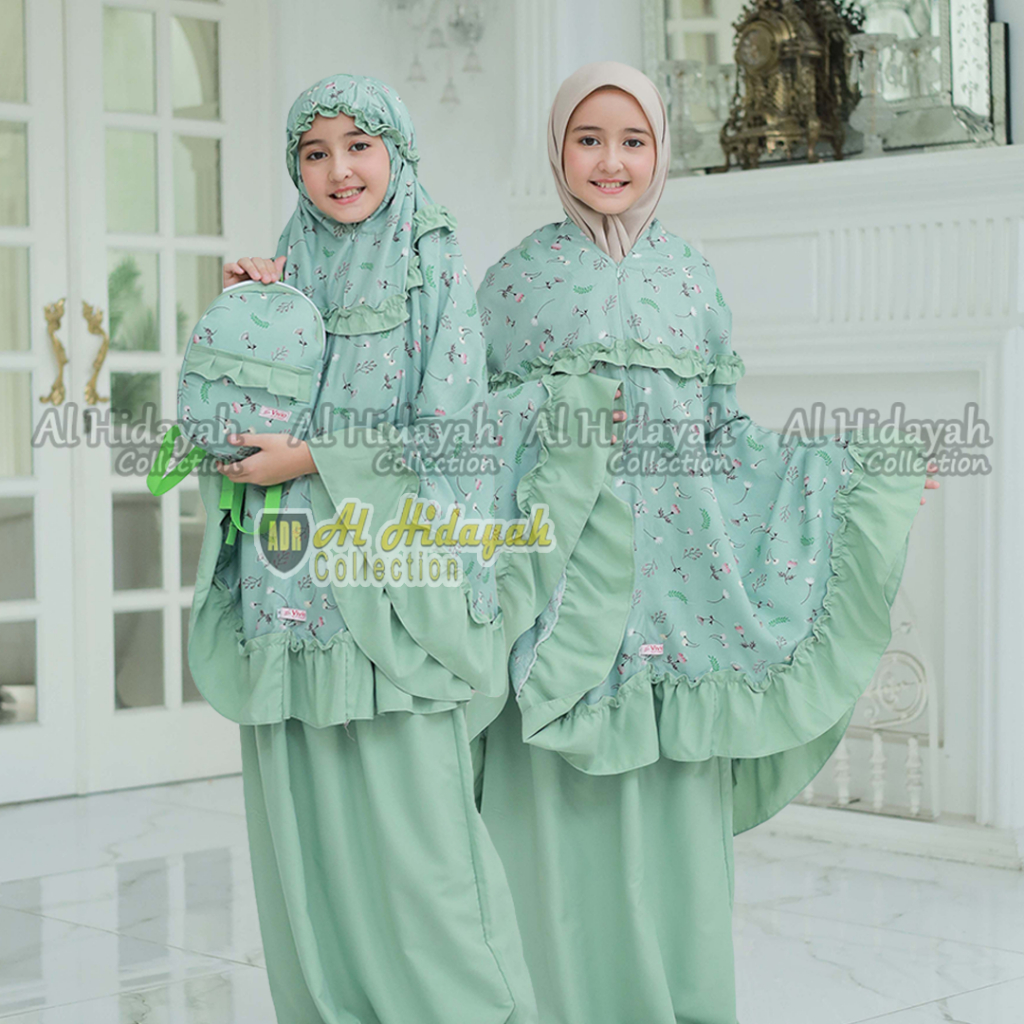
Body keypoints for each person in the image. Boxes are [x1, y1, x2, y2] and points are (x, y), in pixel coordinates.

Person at [473, 61, 939, 1024]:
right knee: (548, 836)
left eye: (633, 140)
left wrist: (860, 473)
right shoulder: (514, 282)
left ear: (660, 153)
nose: (611, 161)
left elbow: (727, 439)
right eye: (588, 139)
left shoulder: (689, 279)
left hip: (674, 602)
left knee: (669, 841)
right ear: (558, 150)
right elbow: (472, 431)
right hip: (558, 598)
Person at [187, 73, 538, 1024]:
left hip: (390, 590)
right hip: (290, 583)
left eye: (359, 145)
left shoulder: (432, 260)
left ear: (398, 153)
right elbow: (228, 420)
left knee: (422, 850)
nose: (339, 170)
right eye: (315, 152)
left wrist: (311, 457)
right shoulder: (286, 266)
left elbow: (455, 437)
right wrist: (245, 320)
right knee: (308, 837)